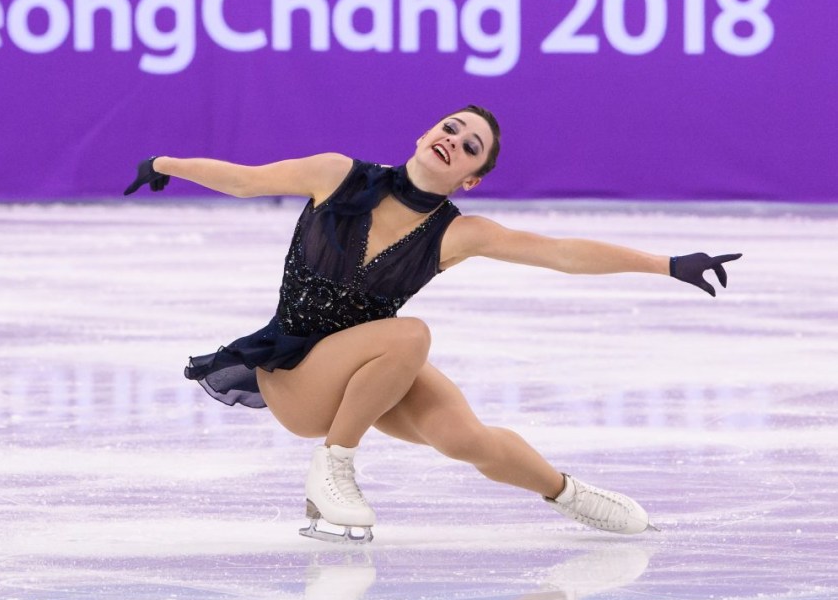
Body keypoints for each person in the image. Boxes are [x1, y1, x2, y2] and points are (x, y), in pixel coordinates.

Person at [123, 105, 741, 543]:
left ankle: (571, 496)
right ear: (425, 134)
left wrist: (666, 264)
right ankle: (332, 465)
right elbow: (246, 181)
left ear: (470, 178)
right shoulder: (335, 175)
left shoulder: (457, 233)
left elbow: (559, 252)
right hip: (296, 378)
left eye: (470, 146)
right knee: (411, 336)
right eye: (451, 127)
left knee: (467, 437)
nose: (454, 139)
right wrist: (167, 162)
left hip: (368, 370)